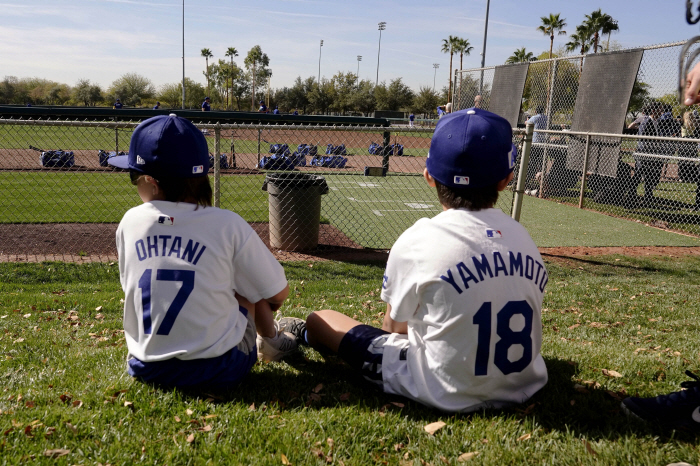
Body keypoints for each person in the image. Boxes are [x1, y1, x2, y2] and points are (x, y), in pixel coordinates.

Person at [277, 109, 549, 413]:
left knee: (321, 319)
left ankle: (301, 333)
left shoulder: (419, 239)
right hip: (523, 382)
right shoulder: (523, 236)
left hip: (442, 387)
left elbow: (393, 328)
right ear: (506, 179)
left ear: (429, 176)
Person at [106, 114, 299, 390]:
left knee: (228, 276)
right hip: (219, 369)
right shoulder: (226, 223)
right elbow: (278, 293)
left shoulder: (130, 221)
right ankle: (272, 342)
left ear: (151, 181)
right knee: (244, 281)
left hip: (144, 367)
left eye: (133, 176)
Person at [627, 101, 681, 203]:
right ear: (654, 111)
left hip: (651, 152)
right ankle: (631, 194)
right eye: (660, 109)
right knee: (639, 174)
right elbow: (643, 138)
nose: (662, 111)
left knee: (650, 174)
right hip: (644, 153)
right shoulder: (647, 121)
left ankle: (648, 195)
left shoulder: (656, 122)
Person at [525, 106, 548, 195]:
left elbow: (527, 123)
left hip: (535, 143)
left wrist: (527, 119)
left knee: (533, 162)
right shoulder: (546, 117)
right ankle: (539, 178)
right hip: (543, 143)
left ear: (536, 111)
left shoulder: (535, 117)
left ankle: (532, 176)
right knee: (542, 162)